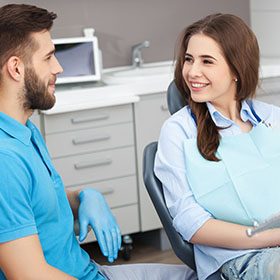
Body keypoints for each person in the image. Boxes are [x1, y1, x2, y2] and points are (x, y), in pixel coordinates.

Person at [0, 4, 197, 280]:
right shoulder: (5, 160)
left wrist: (82, 197)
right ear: (16, 69)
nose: (58, 67)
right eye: (48, 58)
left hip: (91, 271)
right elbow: (30, 275)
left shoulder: (24, 131)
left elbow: (34, 202)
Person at [154, 13, 280, 280]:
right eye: (189, 59)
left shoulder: (271, 118)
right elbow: (191, 224)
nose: (192, 72)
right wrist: (271, 238)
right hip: (240, 258)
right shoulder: (179, 132)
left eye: (206, 61)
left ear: (237, 68)